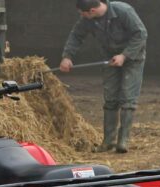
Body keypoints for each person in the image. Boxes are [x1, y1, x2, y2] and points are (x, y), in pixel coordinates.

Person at [60, 0, 147, 153]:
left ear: (92, 11)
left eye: (83, 13)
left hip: (132, 58)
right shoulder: (88, 20)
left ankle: (123, 141)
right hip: (109, 58)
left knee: (128, 98)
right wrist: (67, 56)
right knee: (110, 98)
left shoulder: (123, 11)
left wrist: (124, 56)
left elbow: (141, 34)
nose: (81, 16)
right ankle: (108, 141)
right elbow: (76, 35)